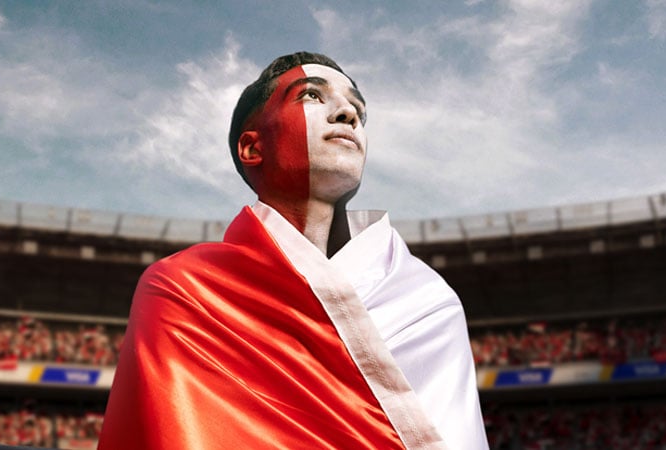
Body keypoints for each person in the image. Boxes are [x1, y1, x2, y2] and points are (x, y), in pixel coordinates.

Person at [98, 52, 487, 450]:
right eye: (312, 96)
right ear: (252, 147)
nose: (347, 114)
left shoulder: (429, 302)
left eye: (357, 109)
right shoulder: (181, 289)